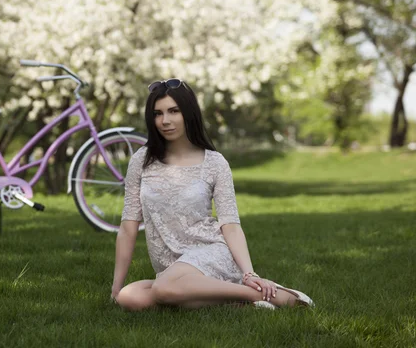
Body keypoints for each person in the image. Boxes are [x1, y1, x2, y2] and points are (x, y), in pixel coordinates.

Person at [111, 78, 314, 311]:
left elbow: (230, 224)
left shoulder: (215, 163)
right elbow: (128, 226)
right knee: (130, 297)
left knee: (163, 290)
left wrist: (249, 272)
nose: (165, 121)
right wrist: (116, 289)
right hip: (172, 266)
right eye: (158, 113)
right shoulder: (142, 160)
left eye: (174, 111)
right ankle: (238, 302)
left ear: (189, 113)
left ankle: (261, 294)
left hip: (211, 252)